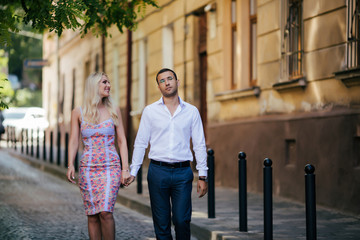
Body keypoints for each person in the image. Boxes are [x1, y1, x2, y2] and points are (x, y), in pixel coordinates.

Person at [126, 68, 208, 240]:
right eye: (162, 81)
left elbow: (199, 144)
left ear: (178, 82)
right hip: (158, 172)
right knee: (161, 224)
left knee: (181, 220)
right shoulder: (150, 111)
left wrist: (202, 175)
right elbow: (141, 142)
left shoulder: (191, 111)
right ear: (158, 86)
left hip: (182, 173)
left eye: (170, 79)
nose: (167, 83)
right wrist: (133, 171)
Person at [67, 72, 129, 240]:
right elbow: (73, 140)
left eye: (108, 82)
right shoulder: (78, 112)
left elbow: (122, 140)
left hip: (111, 168)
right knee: (92, 215)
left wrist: (125, 169)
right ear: (94, 86)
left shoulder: (113, 110)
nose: (108, 85)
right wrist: (70, 164)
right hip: (88, 169)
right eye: (104, 82)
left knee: (106, 212)